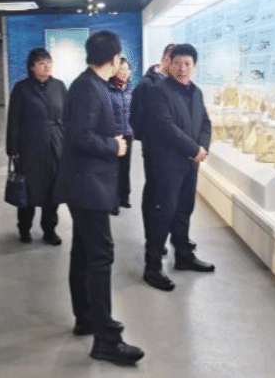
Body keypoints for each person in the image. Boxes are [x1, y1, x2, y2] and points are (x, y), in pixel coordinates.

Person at [57, 31, 144, 366]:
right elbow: (79, 137)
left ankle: (86, 318)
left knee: (83, 253)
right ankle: (106, 340)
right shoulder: (88, 88)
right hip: (88, 186)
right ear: (114, 59)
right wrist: (114, 146)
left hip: (86, 185)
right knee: (100, 256)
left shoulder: (90, 85)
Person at [142, 43, 215, 292]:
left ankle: (183, 255)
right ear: (169, 64)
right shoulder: (158, 91)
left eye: (187, 64)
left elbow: (205, 123)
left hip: (190, 163)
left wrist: (203, 148)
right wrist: (193, 149)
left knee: (185, 209)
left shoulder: (196, 92)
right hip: (167, 164)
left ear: (194, 66)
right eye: (178, 63)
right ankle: (152, 266)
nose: (182, 68)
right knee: (164, 213)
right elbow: (164, 126)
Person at [6, 48, 66, 245]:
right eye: (41, 63)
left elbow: (67, 117)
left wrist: (67, 144)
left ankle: (50, 230)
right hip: (30, 148)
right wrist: (13, 150)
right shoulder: (21, 89)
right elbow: (13, 120)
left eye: (49, 63)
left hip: (55, 145)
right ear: (32, 67)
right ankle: (24, 228)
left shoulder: (59, 86)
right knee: (28, 191)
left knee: (53, 191)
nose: (46, 67)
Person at [130, 43, 176, 246]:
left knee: (171, 197)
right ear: (165, 58)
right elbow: (136, 120)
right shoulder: (146, 85)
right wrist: (152, 138)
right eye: (175, 63)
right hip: (155, 150)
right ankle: (152, 239)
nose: (179, 68)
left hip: (176, 151)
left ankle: (167, 237)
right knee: (155, 194)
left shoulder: (177, 84)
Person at [107, 57, 134, 215]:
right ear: (115, 71)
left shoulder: (131, 89)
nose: (125, 73)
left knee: (125, 168)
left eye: (127, 70)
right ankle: (113, 201)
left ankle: (124, 197)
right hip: (114, 135)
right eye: (121, 69)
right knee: (114, 169)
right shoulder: (108, 88)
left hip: (128, 134)